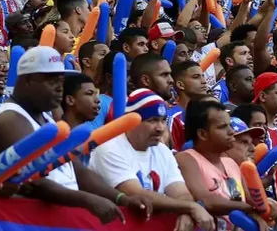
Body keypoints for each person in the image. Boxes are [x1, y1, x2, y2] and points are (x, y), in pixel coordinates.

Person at [0, 45, 146, 222]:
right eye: (51, 80)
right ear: (27, 80)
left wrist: (122, 198)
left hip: (56, 220)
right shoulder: (10, 120)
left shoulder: (46, 118)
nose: (59, 88)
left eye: (60, 81)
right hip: (27, 223)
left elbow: (78, 170)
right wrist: (88, 200)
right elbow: (34, 182)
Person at [89, 88, 215, 230]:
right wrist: (191, 207)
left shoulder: (162, 150)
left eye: (162, 120)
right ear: (132, 122)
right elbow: (138, 195)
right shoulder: (109, 150)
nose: (160, 128)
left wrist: (185, 212)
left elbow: (181, 193)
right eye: (152, 120)